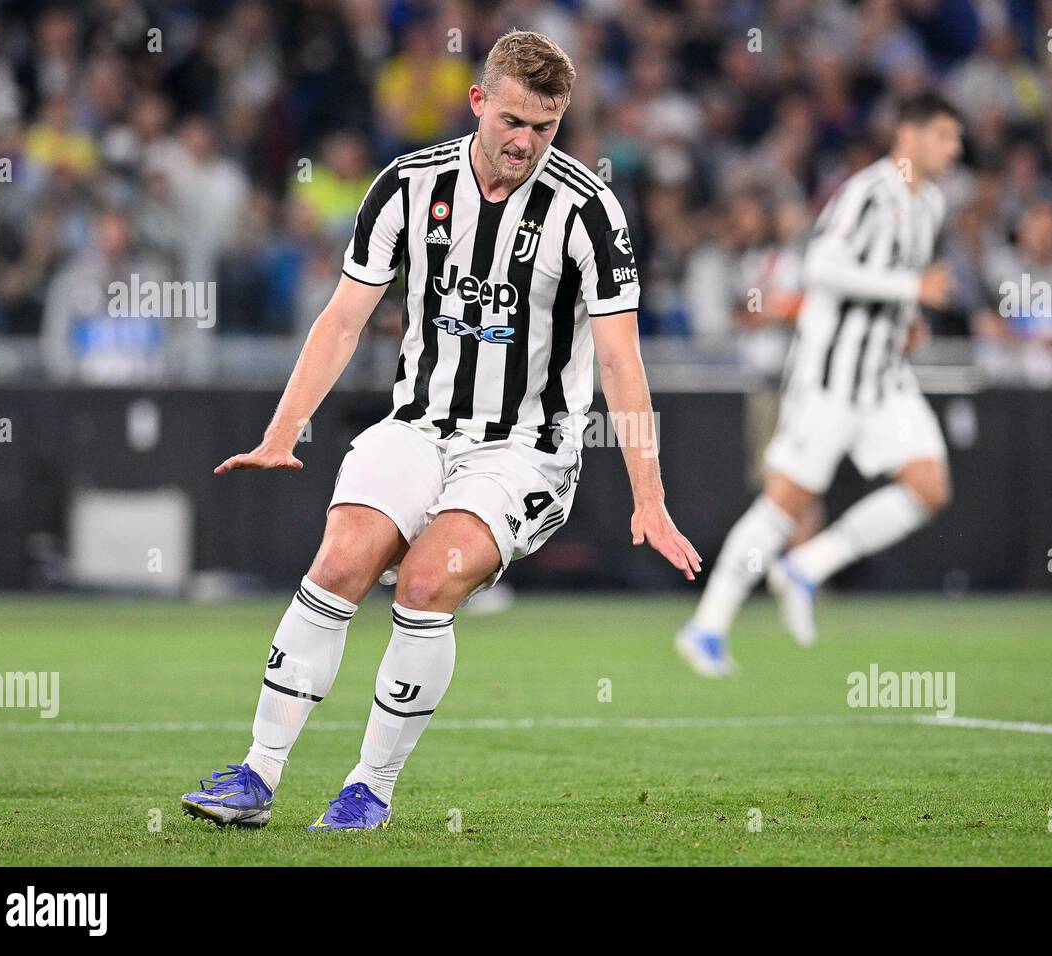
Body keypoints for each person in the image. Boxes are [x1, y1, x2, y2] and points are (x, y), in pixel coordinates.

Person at [181, 31, 700, 830]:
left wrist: (650, 497)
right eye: (515, 121)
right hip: (420, 424)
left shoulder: (589, 211)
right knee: (343, 557)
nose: (526, 142)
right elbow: (342, 320)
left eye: (547, 127)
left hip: (526, 450)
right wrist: (284, 431)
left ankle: (370, 789)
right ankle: (256, 774)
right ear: (479, 102)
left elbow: (623, 363)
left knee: (426, 582)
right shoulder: (407, 186)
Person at [678, 92, 961, 676]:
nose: (953, 149)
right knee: (785, 502)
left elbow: (886, 286)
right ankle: (706, 627)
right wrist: (910, 293)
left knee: (930, 486)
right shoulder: (868, 192)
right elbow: (822, 269)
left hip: (884, 377)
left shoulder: (930, 203)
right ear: (908, 134)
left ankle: (806, 566)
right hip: (830, 376)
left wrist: (907, 324)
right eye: (943, 135)